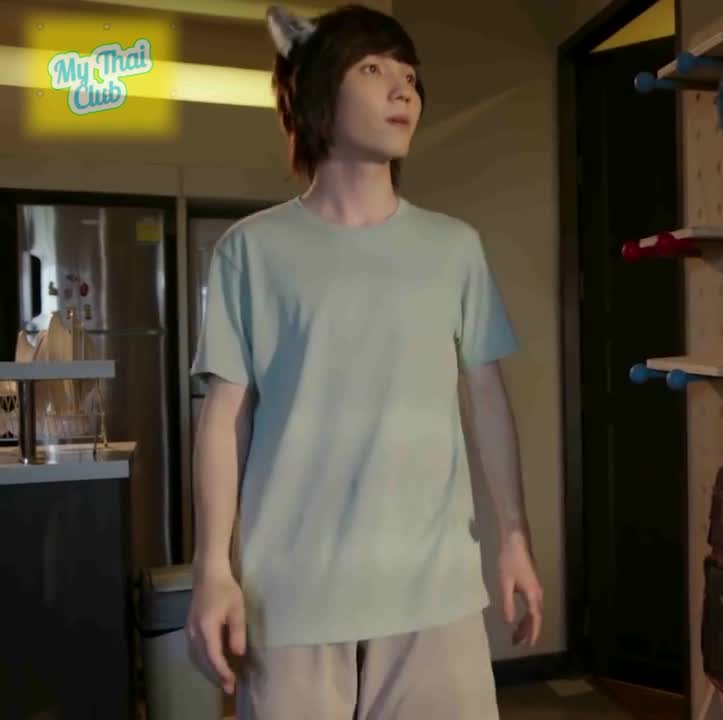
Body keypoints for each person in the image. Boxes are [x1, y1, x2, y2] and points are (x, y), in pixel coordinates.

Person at [185, 5, 543, 718]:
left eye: (409, 73)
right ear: (318, 92)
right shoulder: (250, 252)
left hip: (433, 594)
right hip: (290, 598)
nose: (403, 88)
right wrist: (212, 567)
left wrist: (513, 538)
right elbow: (224, 418)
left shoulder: (454, 249)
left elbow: (487, 398)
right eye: (374, 68)